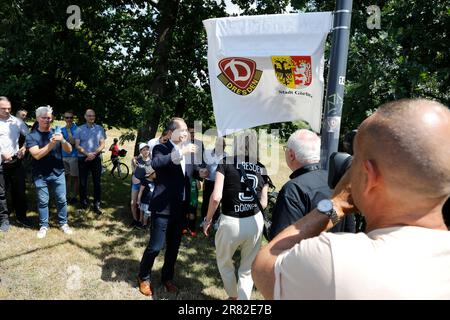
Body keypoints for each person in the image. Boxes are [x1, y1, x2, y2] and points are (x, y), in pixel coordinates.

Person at [252, 98, 450, 300]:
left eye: (354, 160)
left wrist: (336, 204)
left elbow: (265, 266)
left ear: (369, 176)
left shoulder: (336, 260)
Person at [137, 117, 208, 297]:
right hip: (162, 207)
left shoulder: (190, 152)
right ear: (171, 132)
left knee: (174, 247)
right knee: (155, 246)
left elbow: (191, 173)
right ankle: (143, 277)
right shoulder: (162, 148)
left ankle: (167, 278)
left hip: (180, 207)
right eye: (182, 130)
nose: (186, 133)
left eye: (187, 130)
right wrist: (180, 153)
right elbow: (157, 164)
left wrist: (201, 173)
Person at [203, 131, 268, 300]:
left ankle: (233, 297)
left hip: (231, 220)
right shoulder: (262, 167)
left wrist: (207, 219)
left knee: (224, 262)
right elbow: (264, 202)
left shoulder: (226, 162)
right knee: (247, 268)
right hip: (254, 221)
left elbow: (216, 197)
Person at [269, 129, 355, 240]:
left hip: (306, 255)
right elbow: (349, 227)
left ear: (291, 155)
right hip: (337, 253)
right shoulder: (338, 181)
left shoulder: (293, 189)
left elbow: (280, 240)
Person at [25, 106, 73, 239]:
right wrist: (51, 144)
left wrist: (62, 140)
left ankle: (63, 223)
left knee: (62, 200)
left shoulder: (56, 132)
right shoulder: (32, 136)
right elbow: (37, 155)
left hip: (58, 173)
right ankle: (43, 226)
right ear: (37, 118)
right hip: (40, 174)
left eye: (49, 117)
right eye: (44, 117)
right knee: (42, 201)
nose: (47, 120)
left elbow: (69, 150)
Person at [0, 96, 30, 230]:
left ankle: (21, 217)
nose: (7, 111)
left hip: (16, 162)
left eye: (9, 108)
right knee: (1, 193)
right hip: (0, 163)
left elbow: (30, 137)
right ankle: (4, 220)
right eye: (3, 109)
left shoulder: (17, 122)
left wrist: (23, 149)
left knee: (20, 191)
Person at [74, 109, 106, 214]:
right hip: (83, 158)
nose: (91, 117)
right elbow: (77, 145)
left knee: (97, 182)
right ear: (85, 116)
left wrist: (93, 154)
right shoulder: (79, 129)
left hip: (96, 158)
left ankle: (97, 204)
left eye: (93, 115)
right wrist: (88, 154)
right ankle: (83, 203)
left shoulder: (100, 129)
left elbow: (102, 145)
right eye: (89, 115)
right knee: (83, 182)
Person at [201, 136, 227, 229]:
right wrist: (203, 171)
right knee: (206, 201)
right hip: (208, 181)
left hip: (219, 183)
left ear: (225, 146)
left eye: (223, 145)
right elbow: (202, 165)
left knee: (217, 201)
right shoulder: (208, 153)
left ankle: (216, 220)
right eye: (219, 144)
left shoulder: (226, 156)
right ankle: (203, 219)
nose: (221, 146)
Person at [130, 143, 152, 229]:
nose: (146, 151)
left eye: (147, 149)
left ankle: (142, 222)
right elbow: (134, 168)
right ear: (140, 151)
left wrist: (142, 180)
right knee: (133, 203)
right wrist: (133, 176)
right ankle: (135, 221)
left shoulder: (151, 161)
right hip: (135, 184)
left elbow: (150, 176)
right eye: (144, 150)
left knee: (142, 205)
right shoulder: (138, 159)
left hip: (144, 186)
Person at [61, 110, 79, 204]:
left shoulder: (76, 129)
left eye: (71, 117)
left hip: (73, 156)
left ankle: (75, 196)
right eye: (67, 117)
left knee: (75, 177)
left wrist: (68, 130)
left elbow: (73, 142)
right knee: (67, 177)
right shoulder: (61, 129)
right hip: (64, 156)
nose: (69, 119)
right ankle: (67, 196)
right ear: (64, 118)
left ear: (73, 118)